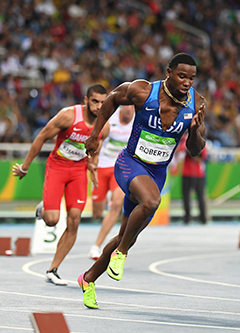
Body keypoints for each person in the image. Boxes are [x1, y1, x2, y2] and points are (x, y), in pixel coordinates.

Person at [78, 52, 206, 309]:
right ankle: (121, 253)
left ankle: (89, 278)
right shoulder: (142, 91)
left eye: (191, 78)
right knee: (151, 202)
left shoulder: (197, 103)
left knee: (127, 234)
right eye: (182, 76)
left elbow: (195, 149)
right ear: (168, 72)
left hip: (157, 173)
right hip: (130, 163)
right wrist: (95, 135)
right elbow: (112, 99)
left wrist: (193, 132)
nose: (187, 82)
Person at [12, 84, 109, 285]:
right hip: (57, 167)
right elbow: (42, 136)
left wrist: (93, 166)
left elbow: (95, 149)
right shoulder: (68, 116)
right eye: (95, 101)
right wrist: (25, 166)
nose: (99, 106)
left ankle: (53, 269)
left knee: (74, 219)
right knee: (52, 220)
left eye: (102, 102)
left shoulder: (104, 127)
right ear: (85, 100)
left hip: (78, 172)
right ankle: (44, 208)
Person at [89, 104, 135, 260]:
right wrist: (93, 163)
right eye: (126, 105)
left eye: (132, 106)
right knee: (96, 214)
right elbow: (98, 141)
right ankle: (104, 200)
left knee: (116, 205)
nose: (129, 109)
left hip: (121, 168)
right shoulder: (111, 120)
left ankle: (96, 246)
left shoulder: (137, 122)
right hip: (102, 167)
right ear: (122, 108)